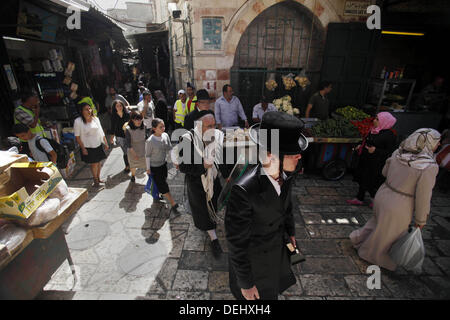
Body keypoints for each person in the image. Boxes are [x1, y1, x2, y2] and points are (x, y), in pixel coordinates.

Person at [225, 111, 308, 300]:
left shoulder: (286, 175)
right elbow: (236, 244)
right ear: (271, 156)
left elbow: (287, 208)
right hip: (255, 266)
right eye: (292, 154)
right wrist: (245, 284)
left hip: (275, 254)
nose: (298, 157)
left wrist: (291, 233)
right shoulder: (244, 191)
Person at [350, 128, 441, 271]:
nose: (439, 144)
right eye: (437, 141)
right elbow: (424, 196)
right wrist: (421, 219)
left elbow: (384, 172)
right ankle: (371, 255)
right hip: (401, 202)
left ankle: (358, 239)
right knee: (389, 233)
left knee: (376, 222)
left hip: (384, 193)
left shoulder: (398, 153)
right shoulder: (428, 166)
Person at [175, 111, 224, 258]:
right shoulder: (186, 139)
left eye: (214, 125)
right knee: (203, 211)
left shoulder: (215, 136)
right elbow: (183, 167)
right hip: (197, 184)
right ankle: (213, 239)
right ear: (199, 126)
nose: (212, 128)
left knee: (215, 203)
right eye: (209, 126)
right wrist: (203, 166)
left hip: (213, 179)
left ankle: (212, 223)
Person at [347, 112, 397, 207]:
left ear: (384, 122)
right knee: (362, 178)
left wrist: (376, 150)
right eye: (375, 118)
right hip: (366, 159)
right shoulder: (373, 130)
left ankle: (374, 200)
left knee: (372, 181)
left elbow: (390, 151)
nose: (374, 121)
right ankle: (359, 198)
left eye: (377, 119)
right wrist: (359, 145)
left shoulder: (389, 135)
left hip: (377, 163)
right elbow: (365, 140)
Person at [145, 118, 179, 214]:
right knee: (163, 185)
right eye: (161, 127)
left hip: (163, 165)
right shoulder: (150, 141)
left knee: (162, 181)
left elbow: (170, 150)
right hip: (154, 167)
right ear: (154, 128)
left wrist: (175, 162)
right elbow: (147, 156)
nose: (163, 128)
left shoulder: (165, 135)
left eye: (163, 126)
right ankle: (173, 203)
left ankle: (157, 194)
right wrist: (148, 168)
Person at [74, 102, 109, 187]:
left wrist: (105, 142)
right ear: (81, 111)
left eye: (90, 108)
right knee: (94, 163)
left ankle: (98, 177)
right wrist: (83, 148)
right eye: (86, 109)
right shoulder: (78, 121)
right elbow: (77, 137)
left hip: (97, 144)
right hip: (88, 146)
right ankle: (95, 179)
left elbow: (101, 132)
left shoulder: (95, 119)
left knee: (99, 163)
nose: (89, 110)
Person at [14, 91, 47, 156]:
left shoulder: (30, 109)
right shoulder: (19, 111)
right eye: (35, 97)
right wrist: (37, 112)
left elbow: (37, 123)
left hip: (37, 139)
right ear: (29, 99)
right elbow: (33, 125)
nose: (37, 100)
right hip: (28, 142)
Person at [125, 111, 147, 182]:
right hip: (132, 150)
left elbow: (147, 138)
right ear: (132, 120)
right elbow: (128, 144)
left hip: (142, 149)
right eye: (136, 119)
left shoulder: (144, 126)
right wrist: (134, 154)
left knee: (145, 164)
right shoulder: (128, 129)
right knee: (133, 165)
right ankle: (133, 175)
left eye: (140, 119)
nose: (139, 121)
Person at [110, 100, 131, 173]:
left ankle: (131, 164)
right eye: (117, 106)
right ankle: (127, 165)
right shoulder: (113, 116)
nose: (119, 107)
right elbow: (113, 127)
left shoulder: (127, 114)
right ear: (115, 107)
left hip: (128, 135)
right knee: (125, 151)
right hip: (119, 136)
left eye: (120, 106)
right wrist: (112, 137)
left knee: (130, 150)